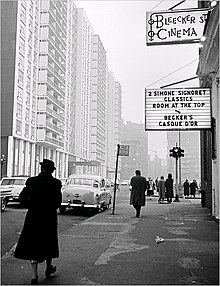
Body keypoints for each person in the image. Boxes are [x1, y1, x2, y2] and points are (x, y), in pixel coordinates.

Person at [14, 159, 62, 285]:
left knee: (33, 244)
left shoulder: (31, 182)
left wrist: (32, 206)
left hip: (33, 217)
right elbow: (57, 203)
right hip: (49, 218)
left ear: (41, 169)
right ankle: (48, 268)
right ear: (52, 170)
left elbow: (22, 199)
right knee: (48, 242)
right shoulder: (56, 183)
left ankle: (34, 276)